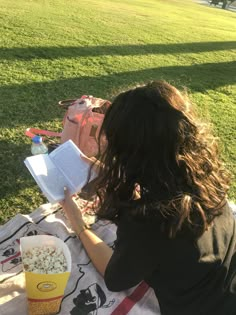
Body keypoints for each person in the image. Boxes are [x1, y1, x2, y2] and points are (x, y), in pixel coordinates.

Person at [61, 81, 236, 315]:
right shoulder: (205, 176)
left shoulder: (151, 218)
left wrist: (79, 224)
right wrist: (114, 173)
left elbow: (115, 278)